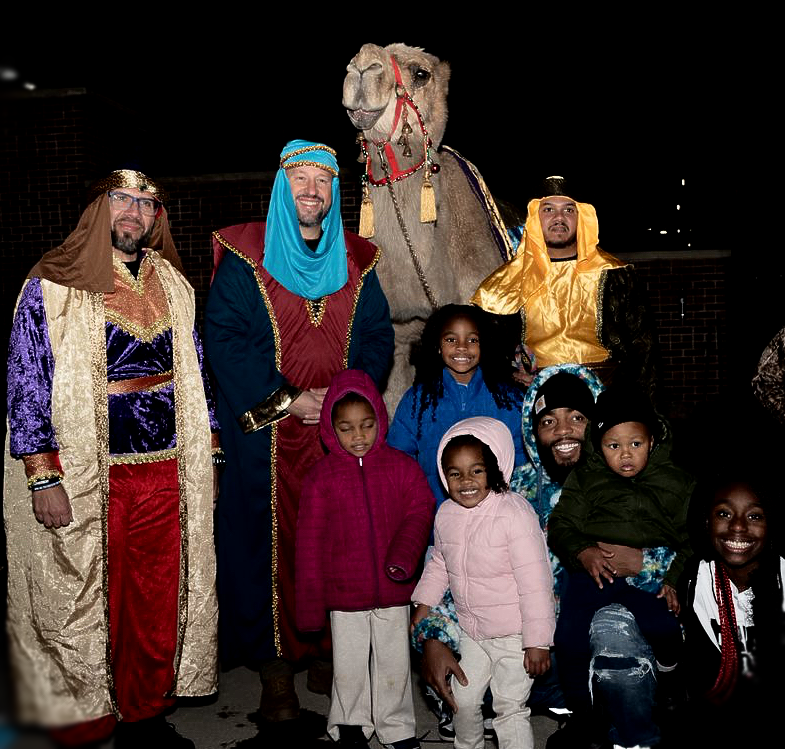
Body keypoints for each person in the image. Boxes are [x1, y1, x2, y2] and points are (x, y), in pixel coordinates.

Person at [4, 170, 219, 748]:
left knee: (154, 596)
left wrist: (210, 458)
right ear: (100, 207)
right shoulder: (51, 282)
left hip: (166, 470)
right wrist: (41, 474)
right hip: (84, 472)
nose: (133, 211)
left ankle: (146, 714)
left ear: (156, 219)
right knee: (84, 597)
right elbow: (28, 380)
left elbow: (197, 371)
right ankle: (86, 720)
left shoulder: (173, 283)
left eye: (146, 204)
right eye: (121, 199)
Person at [205, 140, 394, 720]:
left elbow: (378, 339)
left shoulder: (358, 263)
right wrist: (290, 400)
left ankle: (327, 650)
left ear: (335, 193)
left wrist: (339, 402)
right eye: (300, 180)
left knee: (338, 544)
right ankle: (275, 666)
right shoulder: (244, 256)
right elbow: (224, 341)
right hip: (265, 438)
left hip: (338, 436)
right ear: (281, 187)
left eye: (322, 182)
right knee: (267, 547)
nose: (311, 192)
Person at [415, 366, 671, 749]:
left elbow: (684, 548)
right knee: (459, 688)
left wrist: (644, 563)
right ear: (533, 431)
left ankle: (617, 718)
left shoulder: (628, 476)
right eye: (549, 421)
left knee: (614, 641)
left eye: (577, 418)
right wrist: (432, 636)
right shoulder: (503, 486)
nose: (564, 430)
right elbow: (459, 562)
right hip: (516, 640)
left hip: (588, 635)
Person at [295, 369, 433, 749]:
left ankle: (397, 726)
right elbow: (308, 542)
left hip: (393, 588)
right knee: (349, 665)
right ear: (330, 428)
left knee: (394, 664)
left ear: (379, 420)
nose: (358, 436)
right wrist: (309, 605)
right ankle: (350, 723)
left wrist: (405, 554)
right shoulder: (321, 477)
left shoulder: (401, 467)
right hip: (344, 593)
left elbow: (421, 508)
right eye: (346, 428)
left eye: (367, 425)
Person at [548, 385, 694, 737]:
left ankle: (671, 685)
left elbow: (690, 539)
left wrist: (672, 578)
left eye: (635, 444)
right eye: (614, 446)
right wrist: (583, 551)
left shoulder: (675, 481)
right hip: (593, 572)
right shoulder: (585, 477)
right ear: (599, 446)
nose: (625, 455)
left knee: (665, 628)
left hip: (646, 577)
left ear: (653, 441)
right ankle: (583, 713)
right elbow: (561, 526)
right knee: (568, 638)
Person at [412, 417, 555, 749]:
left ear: (494, 467)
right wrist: (423, 604)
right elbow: (439, 564)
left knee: (509, 707)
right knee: (462, 699)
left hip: (515, 636)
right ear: (443, 475)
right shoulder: (446, 514)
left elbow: (536, 581)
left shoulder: (514, 513)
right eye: (455, 473)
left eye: (476, 470)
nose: (466, 482)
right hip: (473, 633)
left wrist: (537, 641)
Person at [471, 177, 656, 398]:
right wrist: (513, 377)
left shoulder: (617, 276)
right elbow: (487, 353)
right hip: (533, 398)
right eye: (548, 209)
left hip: (607, 398)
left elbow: (644, 352)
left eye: (569, 210)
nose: (559, 217)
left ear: (582, 217)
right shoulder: (504, 283)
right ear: (534, 218)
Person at [388, 304, 526, 510]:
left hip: (498, 514)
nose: (462, 347)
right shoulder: (417, 400)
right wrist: (417, 501)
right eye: (451, 340)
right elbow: (398, 458)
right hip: (436, 512)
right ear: (437, 345)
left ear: (484, 345)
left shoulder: (508, 398)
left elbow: (522, 458)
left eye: (472, 340)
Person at [680, 476, 785, 744]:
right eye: (724, 513)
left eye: (755, 516)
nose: (738, 526)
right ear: (706, 521)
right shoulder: (696, 579)